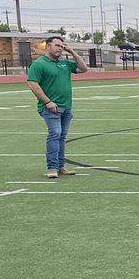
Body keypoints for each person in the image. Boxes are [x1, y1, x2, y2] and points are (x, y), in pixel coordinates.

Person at [26, 36, 88, 179]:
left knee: (61, 137)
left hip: (66, 107)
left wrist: (72, 52)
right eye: (57, 45)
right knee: (55, 133)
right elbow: (33, 84)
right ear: (48, 46)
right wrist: (47, 102)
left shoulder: (64, 63)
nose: (60, 48)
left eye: (62, 46)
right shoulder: (39, 64)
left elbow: (83, 69)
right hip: (50, 108)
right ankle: (52, 167)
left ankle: (60, 167)